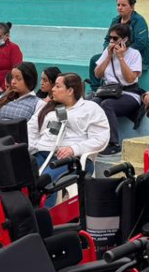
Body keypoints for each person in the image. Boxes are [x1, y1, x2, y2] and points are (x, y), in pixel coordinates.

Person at [28, 73, 110, 206]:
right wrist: (32, 147)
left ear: (70, 91)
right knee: (18, 176)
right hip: (41, 153)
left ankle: (44, 218)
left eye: (57, 86)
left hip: (71, 160)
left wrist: (73, 149)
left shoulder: (90, 109)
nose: (53, 89)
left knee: (45, 181)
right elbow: (31, 128)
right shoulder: (49, 108)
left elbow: (100, 138)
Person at [91, 24, 144, 156]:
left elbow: (131, 78)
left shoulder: (134, 54)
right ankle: (94, 140)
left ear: (124, 40)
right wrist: (108, 56)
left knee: (107, 105)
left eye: (115, 38)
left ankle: (113, 143)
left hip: (129, 93)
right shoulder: (107, 52)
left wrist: (120, 58)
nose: (112, 42)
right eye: (110, 38)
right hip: (109, 91)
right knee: (93, 103)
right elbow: (97, 74)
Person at [89, 0, 149, 85]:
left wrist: (124, 51)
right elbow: (107, 39)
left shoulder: (139, 21)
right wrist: (109, 49)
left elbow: (140, 43)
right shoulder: (115, 20)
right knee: (95, 59)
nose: (120, 7)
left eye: (123, 5)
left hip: (135, 56)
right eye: (118, 5)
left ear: (132, 7)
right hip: (116, 53)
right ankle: (95, 89)